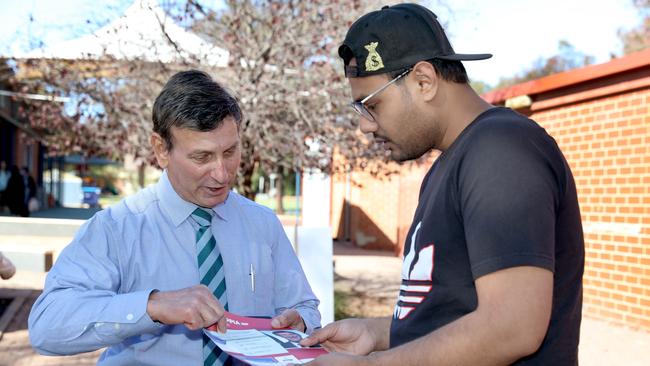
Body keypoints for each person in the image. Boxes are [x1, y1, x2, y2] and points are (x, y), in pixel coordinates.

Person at [301, 4, 584, 365]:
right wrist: (377, 333)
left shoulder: (501, 149)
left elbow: (513, 325)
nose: (365, 126)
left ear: (424, 81)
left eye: (371, 104)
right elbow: (451, 311)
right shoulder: (453, 162)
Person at [28, 70, 321, 365]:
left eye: (230, 151)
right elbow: (46, 326)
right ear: (161, 149)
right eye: (201, 157)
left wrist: (300, 324)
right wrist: (152, 306)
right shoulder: (116, 228)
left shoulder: (263, 224)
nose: (222, 173)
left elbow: (304, 307)